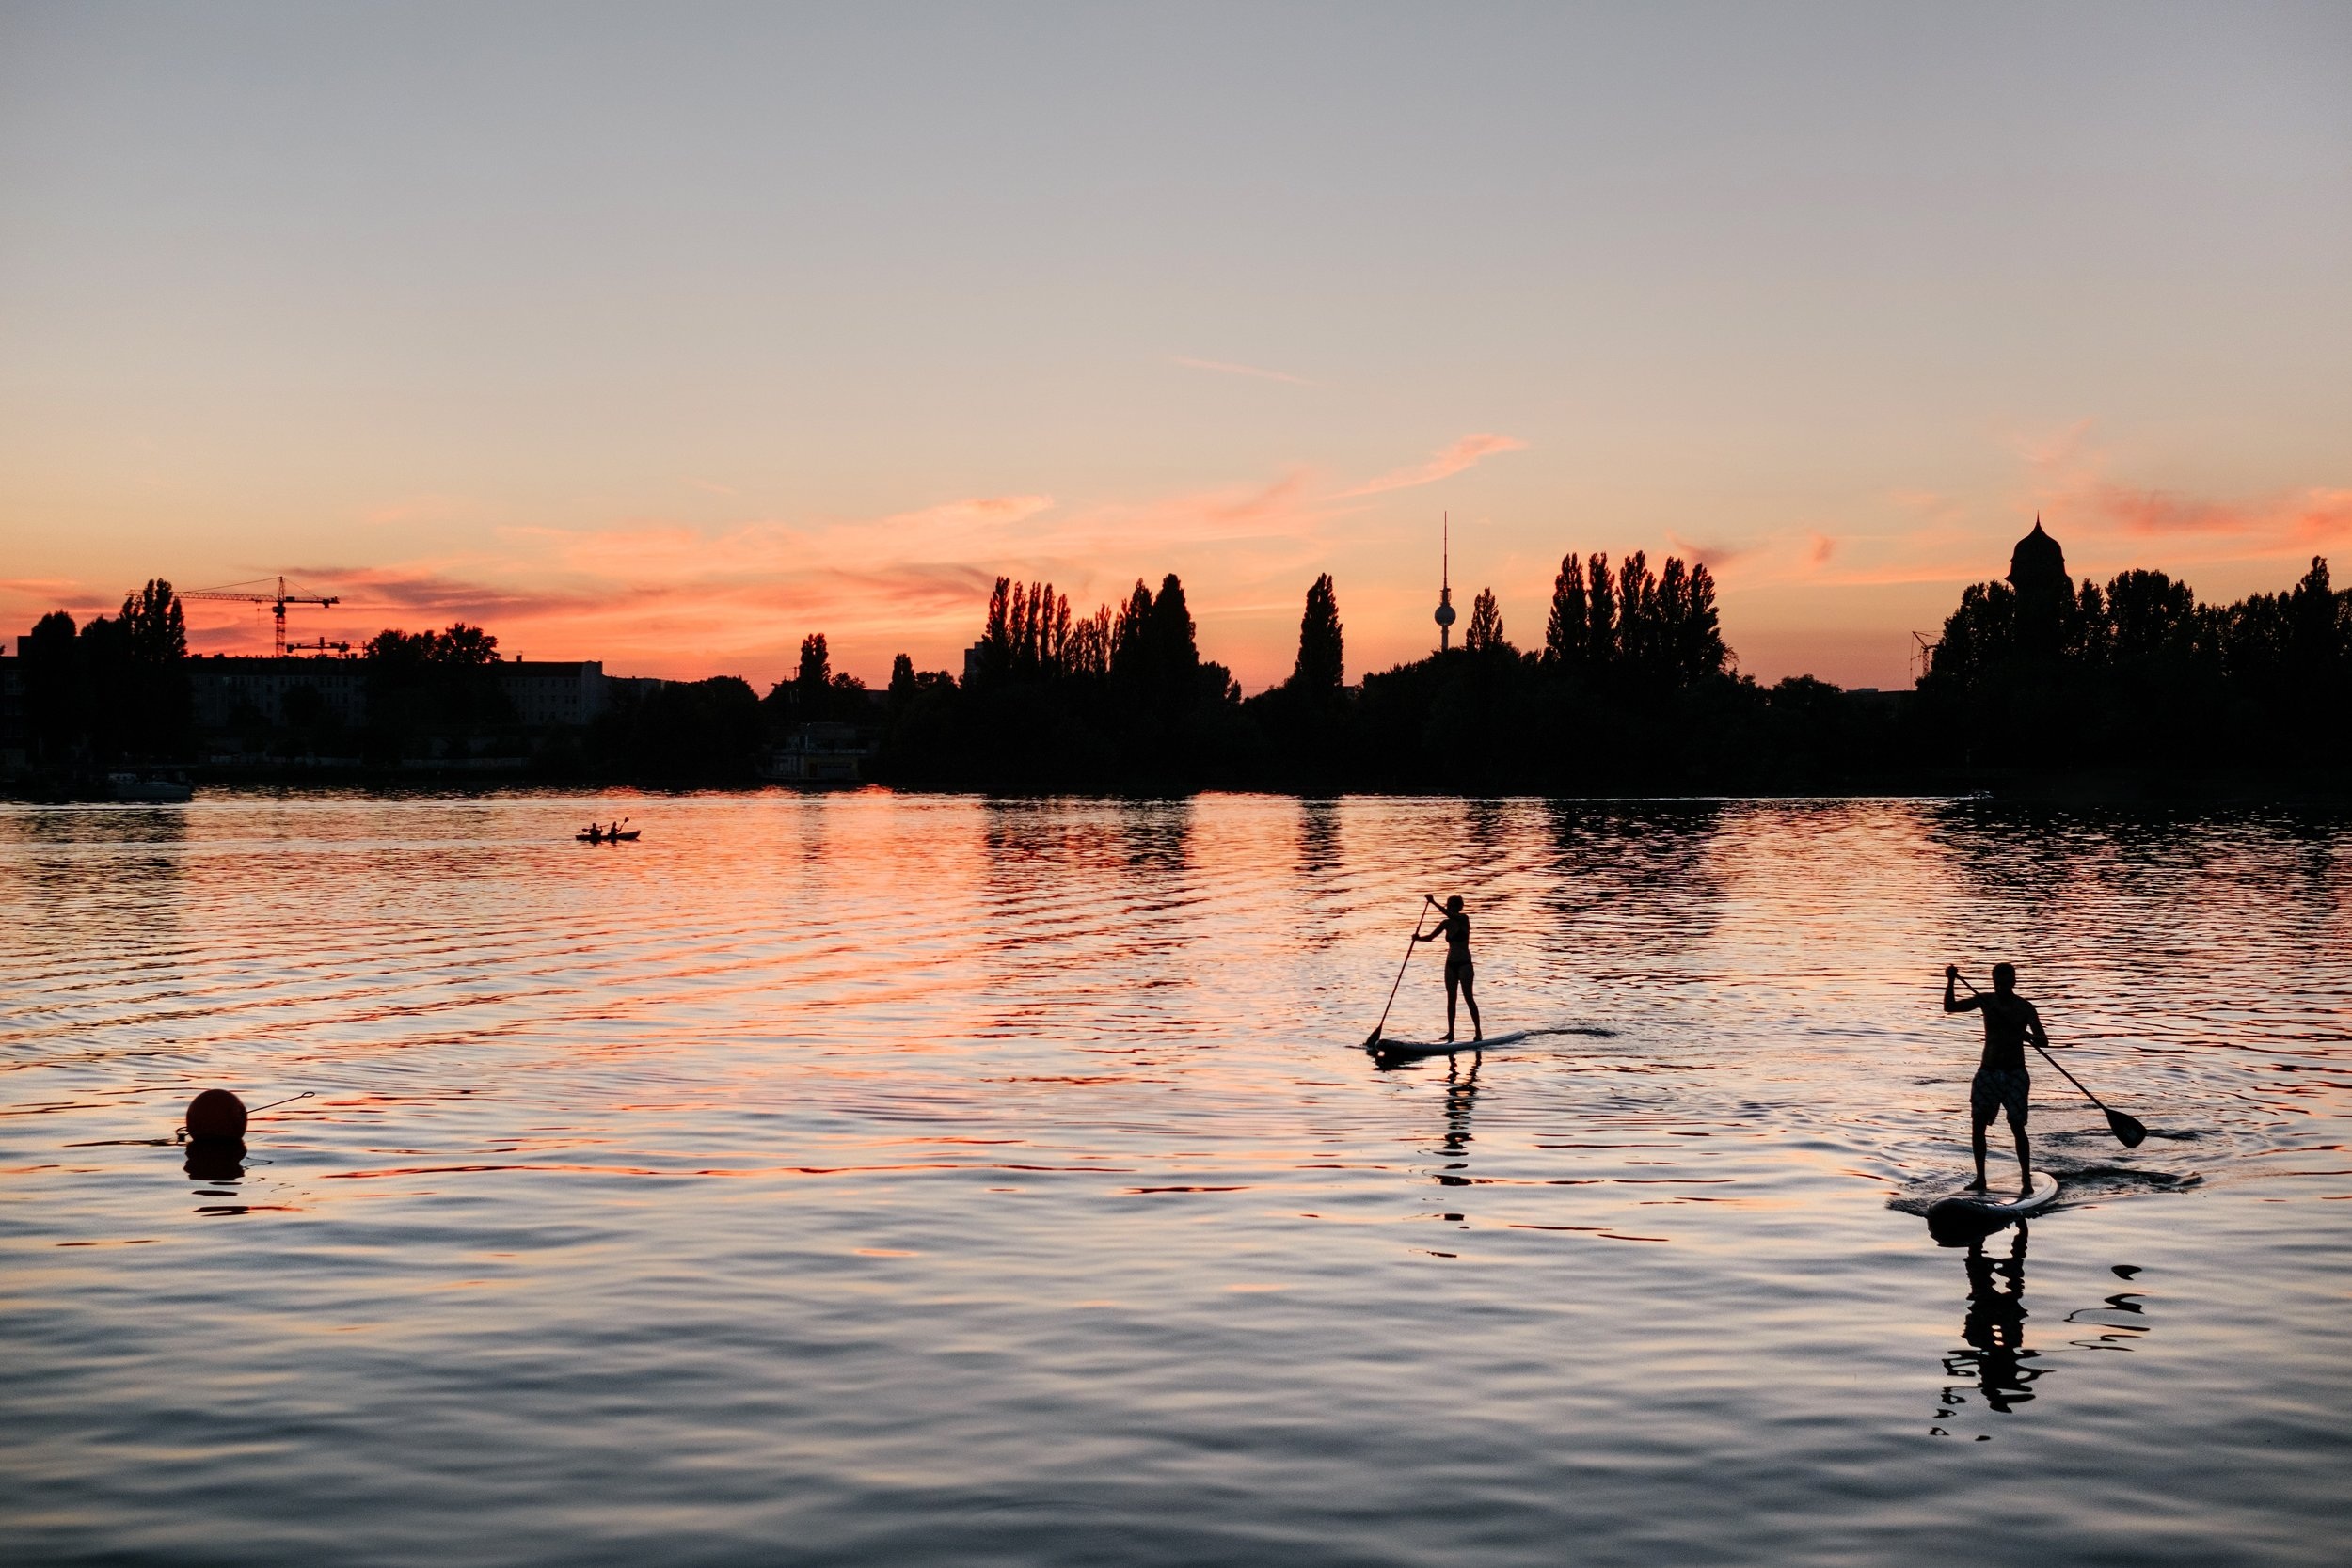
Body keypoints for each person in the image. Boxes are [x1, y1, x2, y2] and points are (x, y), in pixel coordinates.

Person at [1944, 961, 2047, 1198]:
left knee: (2017, 1127)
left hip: (2015, 1073)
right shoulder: (1986, 1001)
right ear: (1993, 982)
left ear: (2013, 982)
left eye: (2005, 983)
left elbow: (2044, 1041)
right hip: (1987, 1072)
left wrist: (2027, 1036)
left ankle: (2025, 1180)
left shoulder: (2025, 1008)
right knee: (1977, 1124)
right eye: (1997, 983)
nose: (2000, 987)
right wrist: (1950, 981)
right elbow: (1949, 1007)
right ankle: (1980, 1178)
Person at [1414, 895, 1482, 1044]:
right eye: (1448, 904)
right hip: (1450, 964)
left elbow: (1448, 913)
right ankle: (1451, 1033)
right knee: (1451, 999)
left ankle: (1478, 1032)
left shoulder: (1464, 919)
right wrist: (1417, 938)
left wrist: (1433, 903)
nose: (1450, 907)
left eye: (1453, 905)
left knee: (1468, 997)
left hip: (1465, 964)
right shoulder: (1445, 923)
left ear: (1459, 907)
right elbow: (1430, 937)